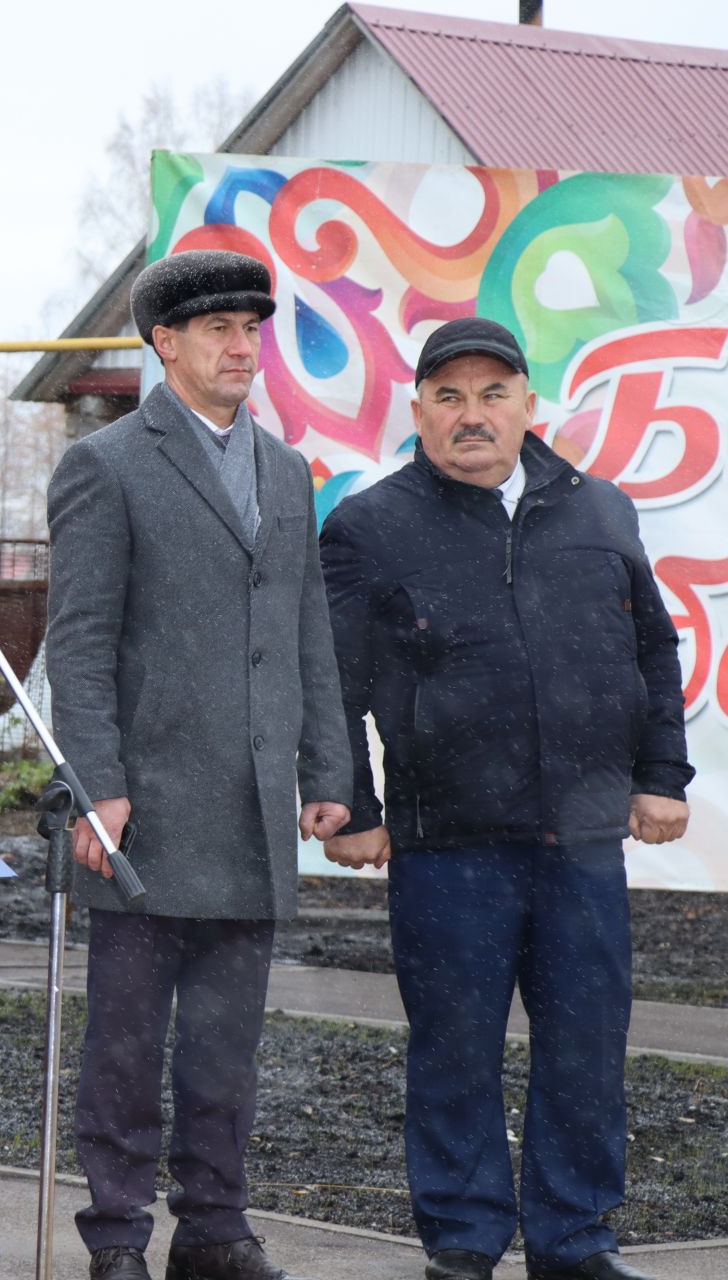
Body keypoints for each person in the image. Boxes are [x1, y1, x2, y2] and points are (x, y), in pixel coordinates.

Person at [320, 317, 691, 1280]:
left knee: (585, 1051)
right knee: (454, 1054)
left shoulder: (602, 510)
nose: (472, 415)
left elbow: (653, 645)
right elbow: (334, 682)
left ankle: (576, 1242)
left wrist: (661, 776)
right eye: (449, 397)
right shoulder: (371, 525)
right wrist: (352, 805)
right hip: (448, 846)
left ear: (530, 406)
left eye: (493, 395)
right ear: (418, 413)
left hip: (583, 840)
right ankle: (463, 1243)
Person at [45, 248, 353, 1280]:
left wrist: (328, 769)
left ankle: (215, 1227)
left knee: (226, 1046)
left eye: (252, 328)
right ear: (164, 341)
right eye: (218, 327)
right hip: (148, 811)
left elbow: (308, 626)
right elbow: (81, 642)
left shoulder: (286, 469)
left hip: (255, 805)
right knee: (127, 1047)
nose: (240, 345)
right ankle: (119, 1235)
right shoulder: (110, 463)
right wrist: (99, 784)